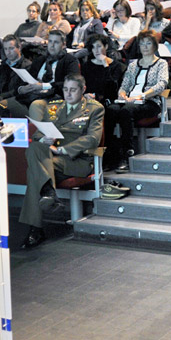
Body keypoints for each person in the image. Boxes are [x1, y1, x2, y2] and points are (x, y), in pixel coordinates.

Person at [21, 74, 103, 248]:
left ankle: (35, 228)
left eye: (73, 90)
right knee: (35, 148)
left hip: (77, 160)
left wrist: (62, 149)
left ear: (83, 90)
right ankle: (49, 192)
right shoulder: (54, 107)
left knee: (34, 171)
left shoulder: (94, 109)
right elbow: (37, 134)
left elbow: (93, 139)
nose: (68, 94)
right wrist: (44, 139)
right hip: (53, 158)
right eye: (65, 89)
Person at [105, 30, 169, 172]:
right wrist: (122, 94)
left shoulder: (161, 64)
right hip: (129, 100)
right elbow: (124, 85)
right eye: (142, 44)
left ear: (155, 46)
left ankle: (127, 154)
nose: (145, 47)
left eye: (148, 43)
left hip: (150, 102)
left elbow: (162, 84)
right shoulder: (133, 65)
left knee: (126, 111)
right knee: (110, 110)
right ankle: (111, 154)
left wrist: (142, 96)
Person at [20, 30, 81, 108]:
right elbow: (27, 78)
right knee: (4, 105)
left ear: (63, 45)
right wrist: (22, 88)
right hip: (33, 94)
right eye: (50, 41)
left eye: (56, 42)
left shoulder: (70, 61)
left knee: (36, 105)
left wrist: (43, 86)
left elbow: (72, 83)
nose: (52, 45)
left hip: (55, 96)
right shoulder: (40, 60)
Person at [0, 34, 34, 117]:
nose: (8, 52)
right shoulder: (1, 67)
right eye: (6, 49)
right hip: (0, 100)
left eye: (11, 48)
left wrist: (0, 97)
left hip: (19, 102)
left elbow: (20, 91)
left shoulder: (27, 66)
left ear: (19, 48)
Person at [81, 34, 126, 107]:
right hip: (89, 99)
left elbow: (112, 89)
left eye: (99, 46)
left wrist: (105, 65)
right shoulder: (87, 65)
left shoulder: (117, 66)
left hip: (108, 100)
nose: (96, 50)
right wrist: (85, 94)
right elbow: (82, 85)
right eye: (93, 47)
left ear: (106, 46)